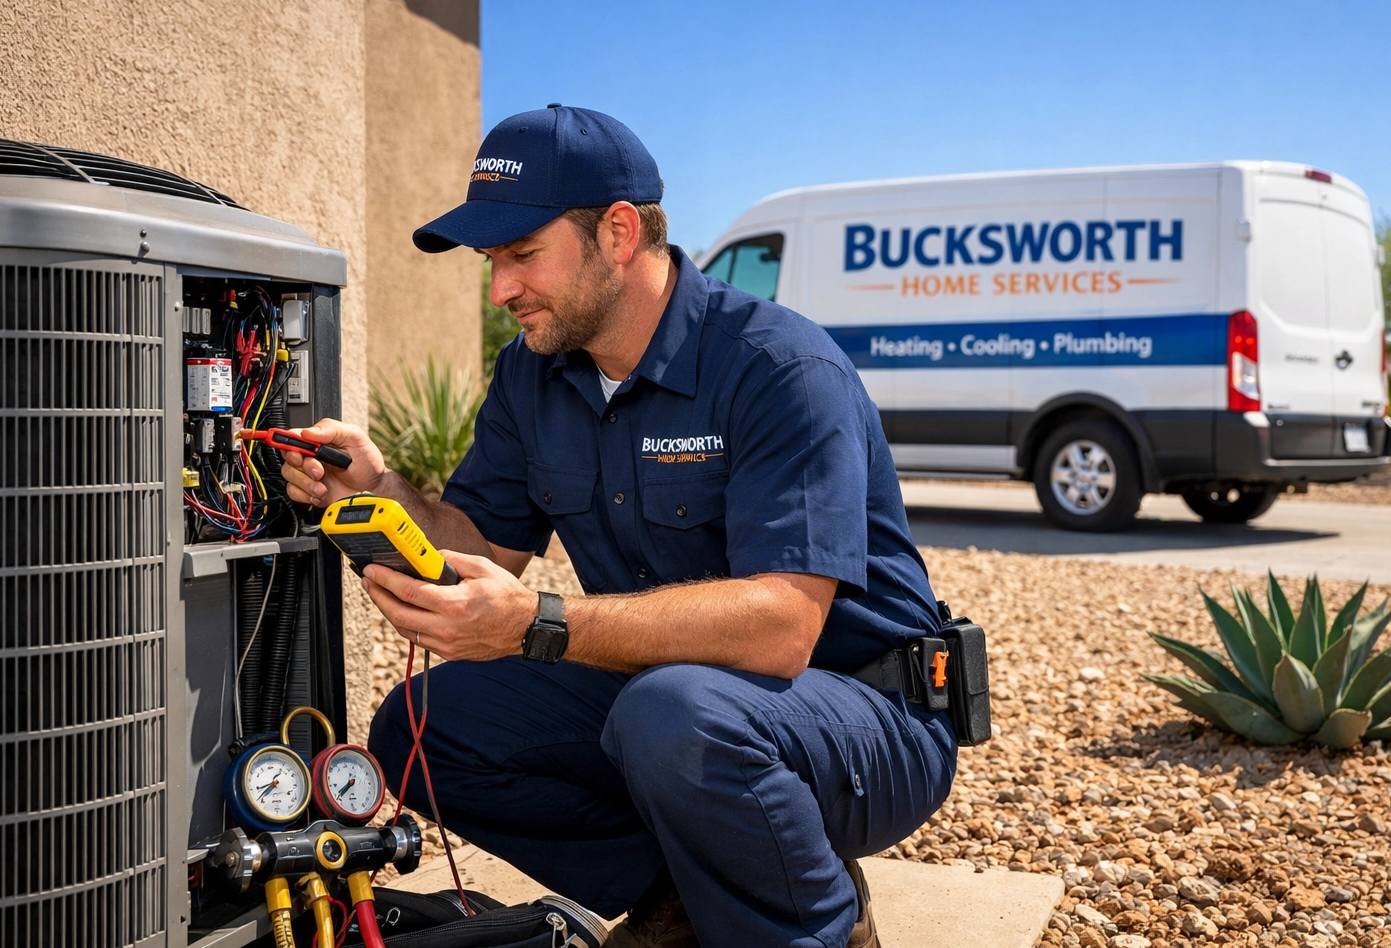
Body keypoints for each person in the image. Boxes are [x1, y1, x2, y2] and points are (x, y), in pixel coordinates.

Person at [281, 105, 957, 948]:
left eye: (524, 255)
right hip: (669, 698)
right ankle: (683, 896)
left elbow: (784, 626)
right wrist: (379, 485)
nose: (502, 291)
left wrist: (539, 625)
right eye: (492, 263)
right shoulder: (533, 376)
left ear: (620, 233)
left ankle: (814, 924)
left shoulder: (779, 368)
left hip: (866, 717)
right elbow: (475, 550)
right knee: (420, 730)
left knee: (674, 714)